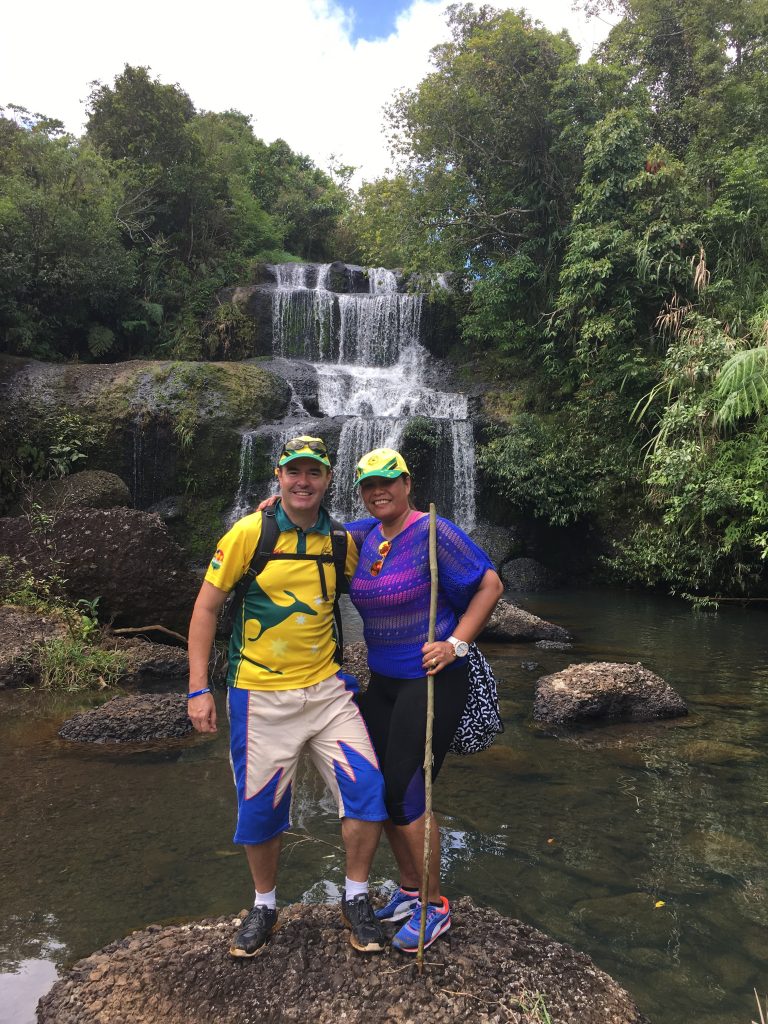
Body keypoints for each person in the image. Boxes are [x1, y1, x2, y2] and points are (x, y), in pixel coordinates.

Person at [187, 436, 389, 959]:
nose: (304, 482)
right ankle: (264, 905)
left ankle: (357, 896)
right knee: (260, 811)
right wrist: (197, 689)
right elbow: (206, 610)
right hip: (259, 697)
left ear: (327, 480)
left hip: (327, 693)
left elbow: (384, 567)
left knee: (367, 791)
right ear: (278, 476)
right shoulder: (250, 532)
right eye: (294, 472)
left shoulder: (344, 541)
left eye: (314, 473)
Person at [346, 448, 503, 953]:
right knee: (381, 789)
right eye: (369, 484)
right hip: (384, 682)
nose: (378, 491)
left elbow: (490, 583)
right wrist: (272, 506)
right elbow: (310, 525)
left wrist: (456, 643)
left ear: (407, 482)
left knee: (405, 790)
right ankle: (412, 889)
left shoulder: (436, 530)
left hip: (432, 678)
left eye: (387, 481)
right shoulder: (364, 534)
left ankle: (435, 907)